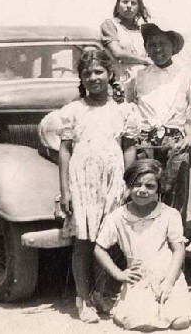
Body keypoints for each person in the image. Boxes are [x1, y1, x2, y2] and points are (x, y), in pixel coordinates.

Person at [56, 48, 140, 323]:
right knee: (84, 242)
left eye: (99, 72)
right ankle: (83, 298)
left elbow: (129, 148)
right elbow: (65, 150)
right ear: (81, 77)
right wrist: (66, 189)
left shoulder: (123, 111)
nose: (93, 77)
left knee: (107, 242)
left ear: (109, 74)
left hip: (112, 181)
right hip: (83, 183)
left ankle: (102, 294)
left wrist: (127, 183)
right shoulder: (73, 110)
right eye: (87, 73)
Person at [94, 159, 191, 331]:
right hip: (138, 275)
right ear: (129, 185)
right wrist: (118, 274)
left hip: (166, 273)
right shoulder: (117, 217)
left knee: (180, 321)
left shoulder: (169, 214)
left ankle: (172, 302)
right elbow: (99, 248)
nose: (142, 190)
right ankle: (125, 306)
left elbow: (178, 250)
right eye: (137, 184)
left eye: (149, 186)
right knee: (144, 324)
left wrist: (169, 281)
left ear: (158, 189)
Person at [127, 23, 191, 208]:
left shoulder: (185, 75)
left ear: (173, 46)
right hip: (145, 145)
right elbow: (128, 108)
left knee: (175, 199)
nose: (157, 49)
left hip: (175, 146)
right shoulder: (138, 76)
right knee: (144, 193)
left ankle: (174, 235)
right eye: (152, 44)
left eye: (162, 44)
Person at [101, 0, 152, 86]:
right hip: (122, 80)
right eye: (125, 2)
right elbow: (118, 54)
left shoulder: (142, 30)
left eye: (133, 3)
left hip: (145, 80)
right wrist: (145, 60)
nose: (129, 6)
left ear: (138, 8)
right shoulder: (110, 25)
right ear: (118, 5)